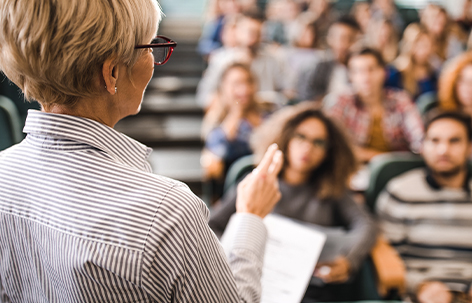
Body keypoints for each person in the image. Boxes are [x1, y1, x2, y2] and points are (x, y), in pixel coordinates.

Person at [0, 0, 285, 301]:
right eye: (148, 47)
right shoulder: (167, 212)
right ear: (111, 74)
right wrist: (250, 217)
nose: (153, 57)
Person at [209, 104, 377, 302]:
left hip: (308, 293)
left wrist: (349, 261)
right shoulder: (258, 182)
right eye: (300, 136)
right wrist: (237, 247)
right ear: (286, 137)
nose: (307, 147)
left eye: (318, 142)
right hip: (252, 284)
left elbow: (366, 226)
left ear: (329, 152)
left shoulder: (332, 190)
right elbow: (212, 226)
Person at [377, 111, 472, 303]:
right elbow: (387, 262)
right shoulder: (399, 193)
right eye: (434, 141)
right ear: (423, 146)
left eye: (454, 141)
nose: (443, 150)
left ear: (471, 148)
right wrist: (420, 287)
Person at [329, 48, 424, 164]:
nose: (365, 77)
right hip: (354, 167)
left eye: (371, 69)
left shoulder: (400, 100)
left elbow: (418, 134)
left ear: (384, 72)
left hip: (398, 167)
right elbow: (332, 142)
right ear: (351, 76)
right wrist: (378, 157)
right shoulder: (342, 101)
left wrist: (423, 149)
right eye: (358, 71)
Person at [196, 11, 290, 108]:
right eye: (248, 31)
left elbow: (288, 93)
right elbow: (204, 96)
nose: (252, 37)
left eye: (257, 33)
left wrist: (271, 99)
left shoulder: (274, 60)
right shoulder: (221, 59)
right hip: (230, 113)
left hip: (265, 114)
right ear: (237, 32)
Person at [201, 63, 270, 184]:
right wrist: (236, 113)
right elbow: (213, 163)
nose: (244, 89)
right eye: (237, 84)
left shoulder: (268, 112)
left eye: (249, 82)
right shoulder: (216, 121)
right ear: (223, 88)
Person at [301, 16, 360, 102]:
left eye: (350, 39)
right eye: (340, 38)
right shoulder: (319, 66)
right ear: (330, 39)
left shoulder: (360, 67)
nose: (343, 44)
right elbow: (309, 97)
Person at [389, 23, 438, 99]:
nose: (425, 51)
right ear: (409, 45)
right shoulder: (396, 72)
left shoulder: (433, 71)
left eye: (428, 45)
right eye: (420, 45)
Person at [421, 4, 465, 70]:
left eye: (441, 21)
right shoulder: (420, 39)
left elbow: (458, 62)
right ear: (426, 19)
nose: (439, 21)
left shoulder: (452, 40)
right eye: (435, 18)